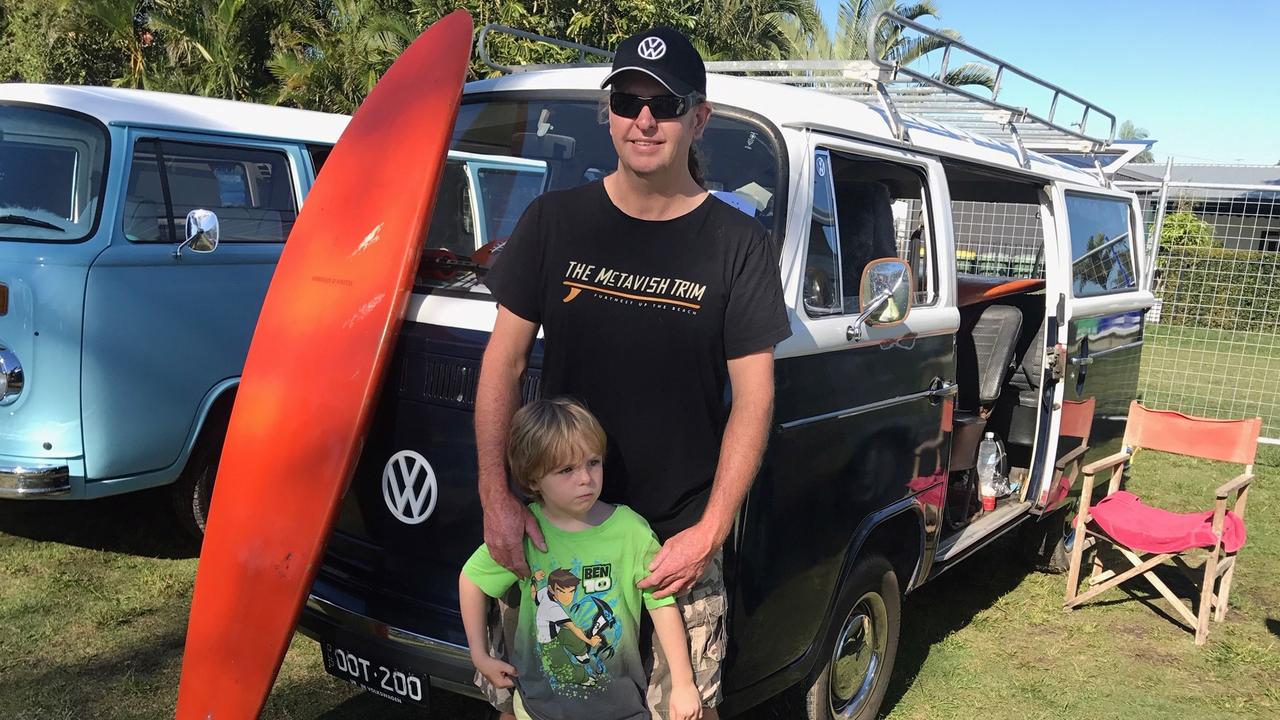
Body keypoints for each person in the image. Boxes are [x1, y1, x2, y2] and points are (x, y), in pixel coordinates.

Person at [475, 24, 791, 718]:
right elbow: (503, 359)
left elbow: (754, 399)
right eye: (627, 100)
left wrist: (709, 532)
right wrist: (496, 495)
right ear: (607, 111)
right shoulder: (552, 222)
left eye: (667, 103)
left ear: (698, 118)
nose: (644, 118)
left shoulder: (739, 245)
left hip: (673, 553)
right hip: (558, 543)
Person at [459, 397, 702, 720]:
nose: (585, 478)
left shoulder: (630, 531)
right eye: (566, 469)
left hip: (619, 709)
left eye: (593, 462)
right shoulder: (526, 533)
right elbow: (473, 579)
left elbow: (661, 603)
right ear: (533, 479)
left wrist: (684, 684)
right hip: (537, 708)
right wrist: (479, 653)